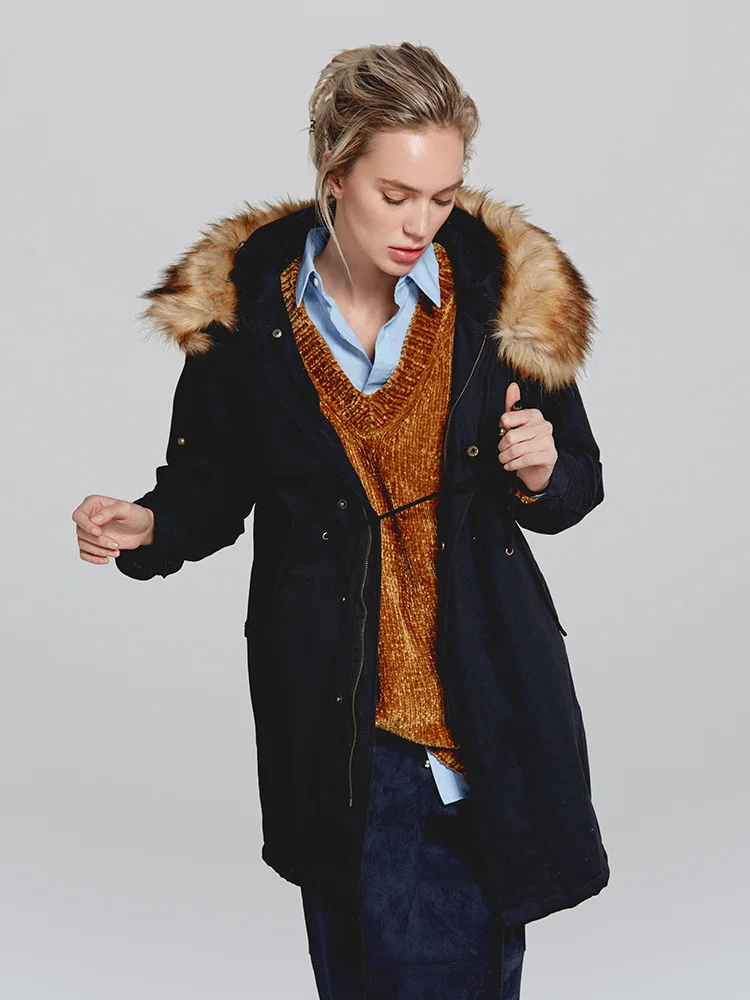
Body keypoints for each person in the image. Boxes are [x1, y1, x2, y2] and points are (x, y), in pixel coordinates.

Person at [72, 42, 609, 1000]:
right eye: (395, 194)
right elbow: (211, 485)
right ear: (334, 176)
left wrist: (541, 468)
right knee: (362, 972)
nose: (421, 223)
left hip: (483, 701)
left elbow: (578, 482)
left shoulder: (503, 299)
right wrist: (150, 524)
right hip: (334, 713)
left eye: (442, 196)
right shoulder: (245, 317)